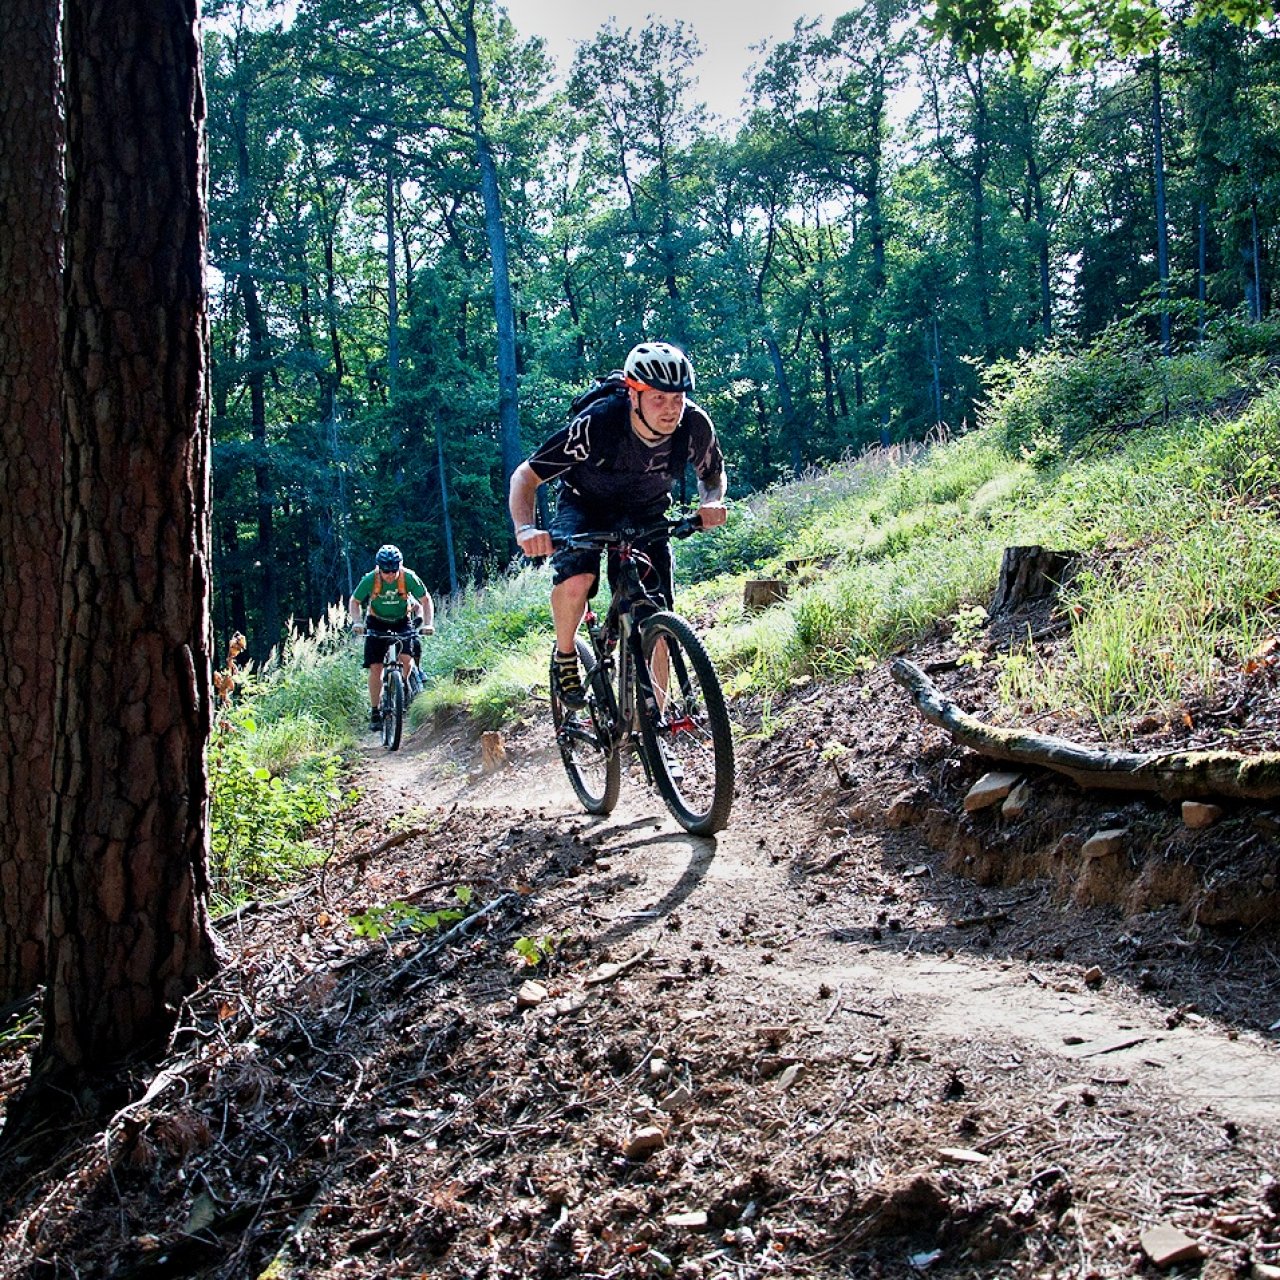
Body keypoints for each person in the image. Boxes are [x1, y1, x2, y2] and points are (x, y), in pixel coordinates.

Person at [508, 340, 727, 709]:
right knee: (577, 578)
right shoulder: (598, 424)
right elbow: (525, 477)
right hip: (585, 504)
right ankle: (566, 655)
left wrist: (711, 502)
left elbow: (712, 476)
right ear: (633, 394)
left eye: (677, 398)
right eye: (658, 398)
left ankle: (655, 719)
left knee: (656, 616)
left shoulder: (693, 425)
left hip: (645, 511)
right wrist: (525, 529)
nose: (671, 409)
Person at [350, 544, 435, 728]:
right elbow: (355, 601)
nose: (389, 575)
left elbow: (425, 600)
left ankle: (403, 684)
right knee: (376, 668)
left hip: (401, 620)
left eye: (393, 570)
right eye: (385, 571)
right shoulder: (370, 579)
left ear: (400, 566)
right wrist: (357, 622)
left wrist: (428, 624)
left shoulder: (409, 577)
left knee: (407, 659)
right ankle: (375, 711)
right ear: (379, 568)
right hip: (376, 621)